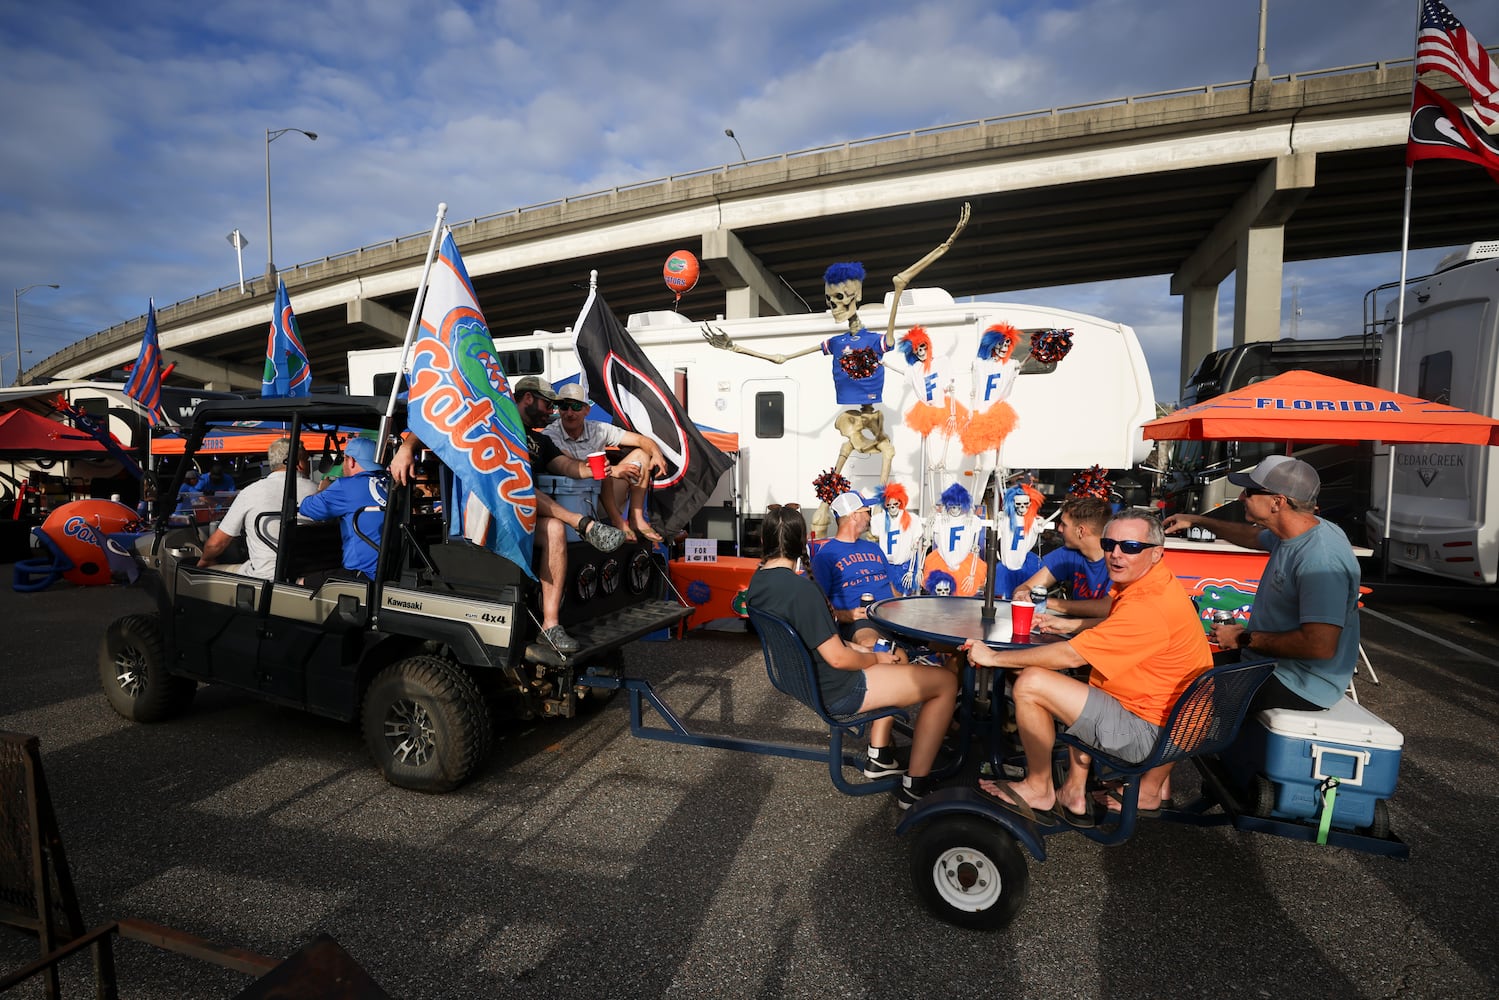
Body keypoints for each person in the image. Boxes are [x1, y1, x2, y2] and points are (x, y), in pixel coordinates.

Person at [962, 511, 1211, 825]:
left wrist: (994, 658)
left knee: (1032, 683)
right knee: (1085, 685)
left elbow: (1071, 656)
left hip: (1150, 734)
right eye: (1110, 544)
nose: (1116, 554)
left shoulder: (1148, 606)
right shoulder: (1156, 581)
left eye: (1131, 546)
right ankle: (1080, 791)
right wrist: (1071, 622)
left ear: (1157, 552)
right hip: (1175, 723)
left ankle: (1039, 788)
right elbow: (1115, 617)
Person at [389, 375, 633, 655]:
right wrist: (406, 448)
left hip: (521, 513)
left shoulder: (541, 440)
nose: (551, 411)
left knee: (553, 527)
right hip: (485, 514)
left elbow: (568, 467)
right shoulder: (490, 422)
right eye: (547, 404)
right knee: (518, 482)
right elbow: (438, 421)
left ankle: (551, 626)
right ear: (528, 398)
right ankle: (582, 524)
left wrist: (599, 469)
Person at [744, 505, 957, 808]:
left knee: (892, 656)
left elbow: (822, 644)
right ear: (802, 541)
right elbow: (838, 659)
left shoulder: (758, 583)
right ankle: (915, 786)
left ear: (764, 541)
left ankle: (881, 755)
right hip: (839, 687)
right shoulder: (801, 591)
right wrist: (876, 659)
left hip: (807, 680)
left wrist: (864, 650)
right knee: (945, 682)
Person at [1162, 455, 1360, 711]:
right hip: (1269, 663)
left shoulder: (1320, 559)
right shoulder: (1298, 529)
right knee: (1172, 667)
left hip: (1299, 683)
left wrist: (1244, 638)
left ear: (1277, 502)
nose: (1242, 497)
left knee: (1174, 693)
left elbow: (1320, 645)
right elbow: (1254, 536)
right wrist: (1198, 520)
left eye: (1249, 491)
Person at [543, 382, 667, 543]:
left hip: (598, 500)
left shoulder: (598, 429)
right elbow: (569, 465)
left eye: (575, 406)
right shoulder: (549, 434)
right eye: (563, 406)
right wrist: (613, 469)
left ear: (587, 410)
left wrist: (657, 454)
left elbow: (641, 440)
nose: (569, 412)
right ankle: (617, 520)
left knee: (641, 456)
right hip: (568, 506)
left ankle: (636, 517)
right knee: (602, 466)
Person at [198, 438, 315, 578]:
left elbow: (216, 544)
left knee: (205, 571)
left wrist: (205, 560)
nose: (308, 463)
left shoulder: (250, 492)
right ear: (299, 463)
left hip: (263, 578)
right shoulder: (319, 493)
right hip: (310, 575)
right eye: (307, 459)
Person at [811, 490, 898, 647]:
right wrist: (844, 615)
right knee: (870, 643)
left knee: (946, 639)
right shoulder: (825, 556)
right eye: (867, 511)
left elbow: (892, 587)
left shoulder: (874, 548)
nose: (870, 517)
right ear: (854, 515)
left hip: (893, 616)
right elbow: (816, 602)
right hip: (862, 622)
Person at [298, 437, 388, 583]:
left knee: (301, 583)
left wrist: (323, 490)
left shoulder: (346, 486)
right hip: (390, 568)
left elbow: (307, 508)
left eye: (344, 460)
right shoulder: (391, 482)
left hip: (364, 574)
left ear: (351, 460)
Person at [1018, 495, 1113, 617]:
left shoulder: (1118, 559)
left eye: (1064, 524)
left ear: (1081, 531)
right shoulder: (1068, 553)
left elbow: (1107, 608)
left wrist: (1047, 602)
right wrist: (1022, 595)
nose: (1059, 529)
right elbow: (1026, 587)